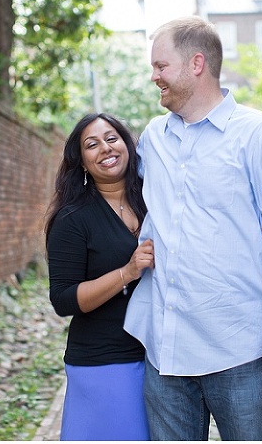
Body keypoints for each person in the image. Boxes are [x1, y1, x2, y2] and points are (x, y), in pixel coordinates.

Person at [124, 16, 262, 441]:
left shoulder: (259, 135)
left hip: (238, 349)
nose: (153, 76)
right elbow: (122, 196)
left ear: (197, 64)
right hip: (165, 351)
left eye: (161, 66)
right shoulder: (153, 140)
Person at [46, 113, 154, 440]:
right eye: (91, 145)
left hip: (160, 356)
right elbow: (63, 299)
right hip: (105, 362)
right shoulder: (73, 219)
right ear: (81, 162)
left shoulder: (154, 200)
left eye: (112, 138)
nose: (105, 148)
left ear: (127, 144)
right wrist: (128, 271)